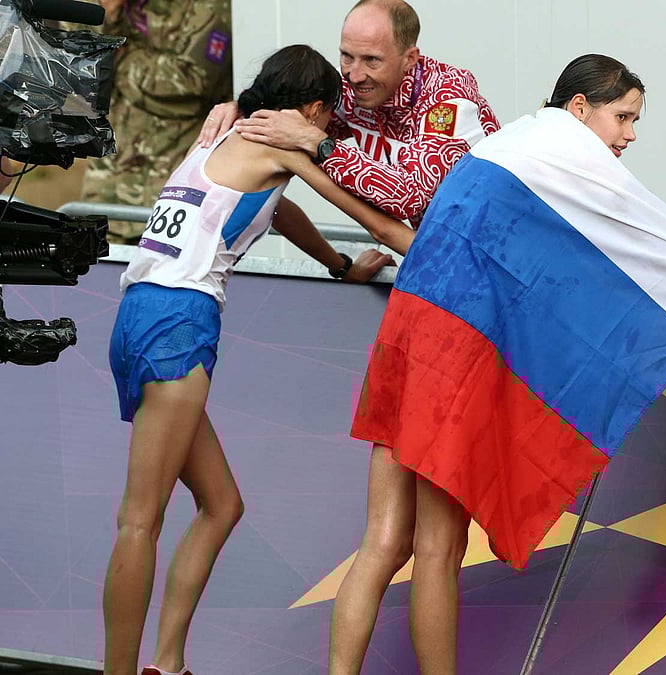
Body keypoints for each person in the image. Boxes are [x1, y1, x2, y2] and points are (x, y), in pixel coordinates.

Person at [334, 54, 666, 674]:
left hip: (406, 342)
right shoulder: (566, 152)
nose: (629, 135)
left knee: (382, 540)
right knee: (439, 547)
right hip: (450, 357)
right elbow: (651, 231)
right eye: (623, 117)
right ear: (580, 109)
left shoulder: (511, 140)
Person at [102, 45, 410, 675]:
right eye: (330, 117)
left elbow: (282, 208)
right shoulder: (285, 146)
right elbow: (371, 217)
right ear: (316, 109)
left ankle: (167, 664)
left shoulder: (225, 132)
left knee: (222, 505)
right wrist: (432, 251)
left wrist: (337, 266)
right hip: (179, 320)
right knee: (140, 522)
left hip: (136, 313)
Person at [199, 0, 500, 232]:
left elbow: (408, 197)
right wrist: (242, 108)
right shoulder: (353, 89)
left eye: (372, 60)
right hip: (443, 253)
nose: (354, 76)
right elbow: (291, 115)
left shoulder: (446, 98)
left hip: (502, 250)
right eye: (346, 56)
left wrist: (319, 144)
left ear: (410, 58)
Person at [82, 0, 234, 245]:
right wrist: (107, 18)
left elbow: (194, 86)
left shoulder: (205, 6)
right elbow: (75, 67)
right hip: (106, 188)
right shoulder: (102, 3)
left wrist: (120, 58)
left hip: (171, 191)